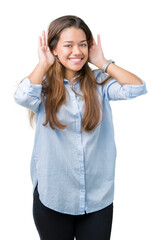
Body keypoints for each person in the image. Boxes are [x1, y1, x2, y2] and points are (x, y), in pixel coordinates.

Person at [13, 15, 147, 240]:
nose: (77, 51)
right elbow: (22, 96)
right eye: (68, 45)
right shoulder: (42, 86)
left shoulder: (99, 82)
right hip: (54, 196)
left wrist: (103, 62)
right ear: (54, 49)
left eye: (82, 44)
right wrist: (42, 64)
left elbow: (137, 87)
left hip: (97, 198)